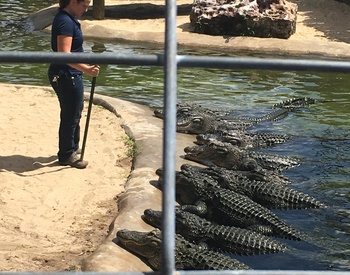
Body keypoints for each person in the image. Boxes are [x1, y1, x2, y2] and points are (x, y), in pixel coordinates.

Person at [48, 0, 100, 169]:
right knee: (71, 114)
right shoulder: (64, 21)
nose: (86, 9)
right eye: (84, 5)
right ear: (72, 2)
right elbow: (64, 54)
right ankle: (66, 154)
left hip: (70, 73)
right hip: (66, 74)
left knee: (76, 111)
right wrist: (86, 69)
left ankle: (72, 148)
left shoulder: (68, 18)